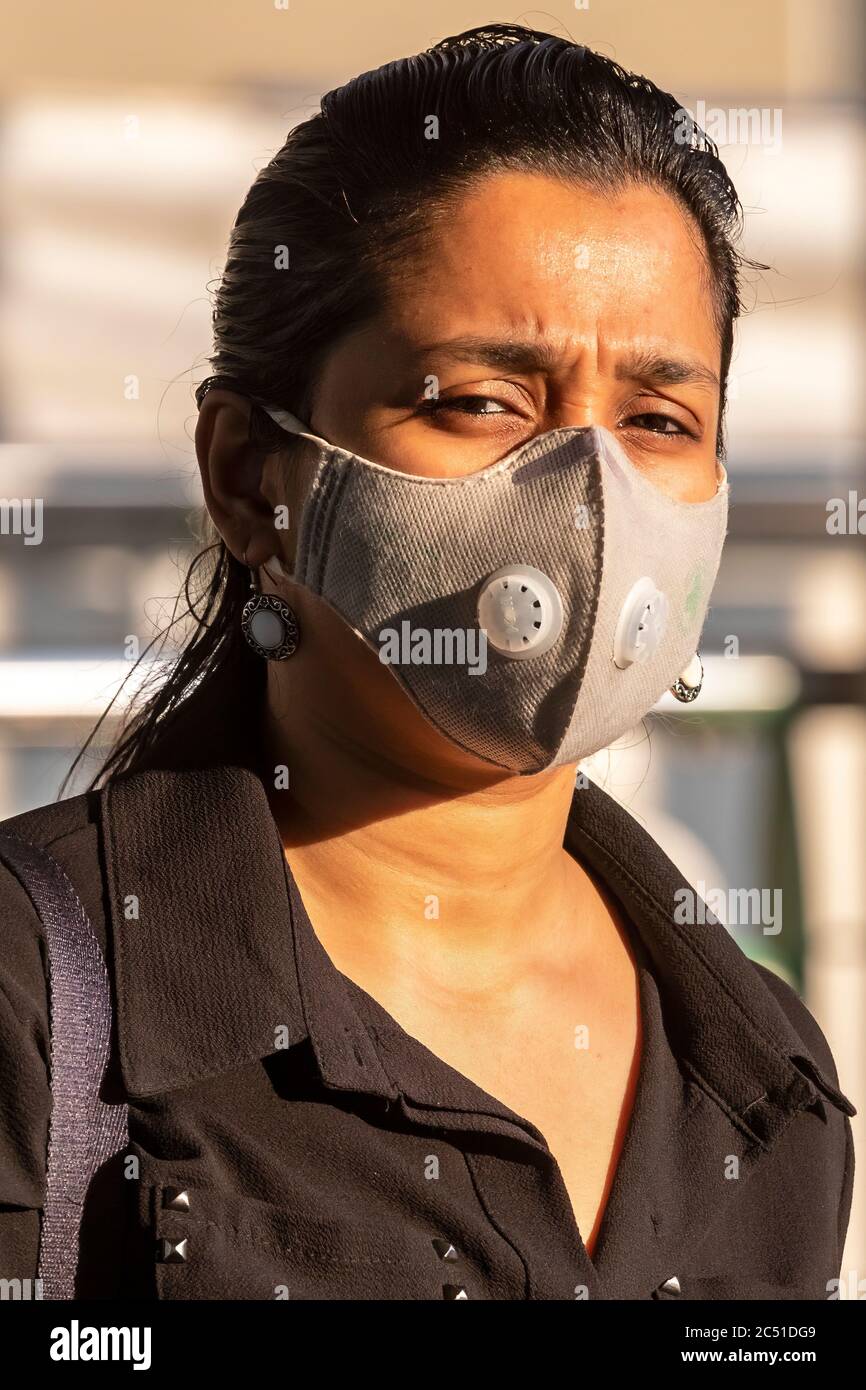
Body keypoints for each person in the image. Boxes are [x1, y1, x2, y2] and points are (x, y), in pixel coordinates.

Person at [0, 22, 854, 1301]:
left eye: (656, 420)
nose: (589, 494)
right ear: (248, 474)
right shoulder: (39, 996)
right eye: (477, 400)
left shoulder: (759, 1073)